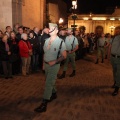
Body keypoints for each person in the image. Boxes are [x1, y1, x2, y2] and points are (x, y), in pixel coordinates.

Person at [34, 23, 66, 113]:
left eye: (52, 28)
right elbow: (44, 53)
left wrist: (55, 61)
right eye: (49, 28)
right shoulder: (47, 40)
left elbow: (64, 56)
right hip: (47, 64)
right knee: (49, 80)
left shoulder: (60, 42)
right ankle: (54, 93)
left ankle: (44, 104)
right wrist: (44, 64)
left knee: (48, 83)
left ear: (56, 31)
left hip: (54, 66)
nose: (49, 29)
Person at [110, 26, 120, 96]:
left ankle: (117, 88)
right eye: (116, 30)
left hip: (119, 58)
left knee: (118, 73)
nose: (117, 31)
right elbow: (110, 46)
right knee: (114, 71)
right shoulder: (114, 38)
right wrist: (108, 56)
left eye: (118, 30)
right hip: (113, 57)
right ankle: (115, 82)